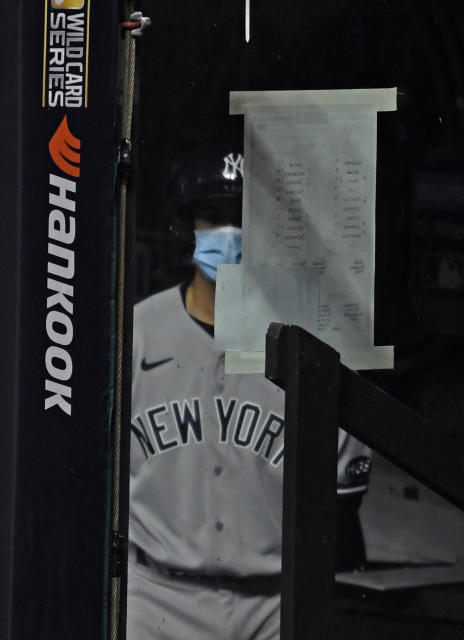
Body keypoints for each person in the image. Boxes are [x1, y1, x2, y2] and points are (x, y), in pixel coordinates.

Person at [125, 145, 372, 640]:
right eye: (212, 217)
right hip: (155, 599)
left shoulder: (310, 343)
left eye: (242, 218)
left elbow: (342, 500)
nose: (229, 234)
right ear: (187, 228)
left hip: (275, 605)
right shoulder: (139, 332)